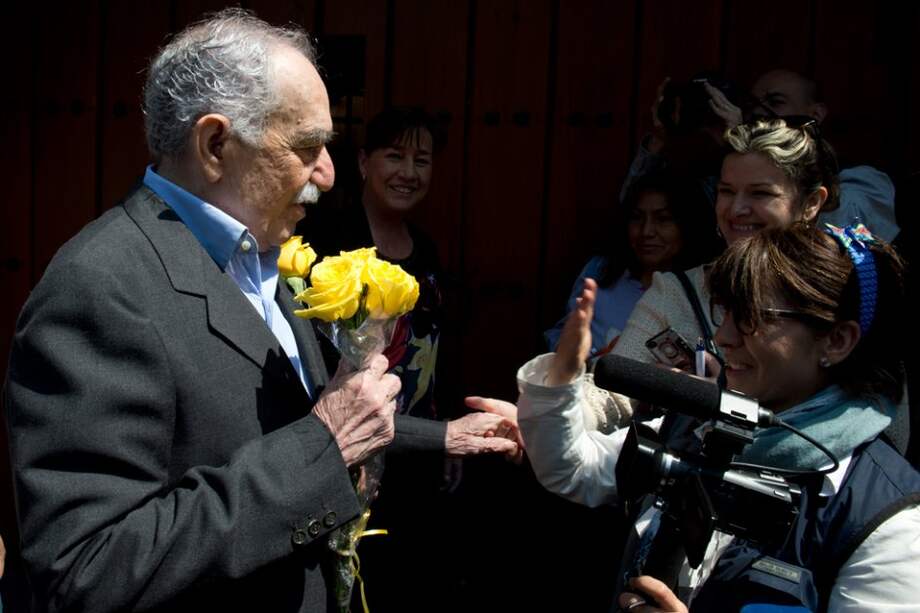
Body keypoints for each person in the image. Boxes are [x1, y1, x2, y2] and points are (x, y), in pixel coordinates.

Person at [3, 10, 516, 612]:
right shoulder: (99, 287)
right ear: (215, 145)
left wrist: (447, 436)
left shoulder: (260, 257)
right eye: (306, 147)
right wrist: (322, 451)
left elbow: (301, 414)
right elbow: (87, 569)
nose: (327, 174)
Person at [515, 223, 920, 611]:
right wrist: (561, 377)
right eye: (723, 312)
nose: (724, 337)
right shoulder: (696, 424)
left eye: (751, 318)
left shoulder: (883, 519)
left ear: (836, 340)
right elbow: (572, 467)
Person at [545, 171, 720, 359]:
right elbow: (561, 336)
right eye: (637, 217)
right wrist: (583, 355)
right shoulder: (601, 271)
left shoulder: (702, 291)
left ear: (688, 225)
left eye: (663, 219)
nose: (646, 231)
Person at [748, 68, 899, 242]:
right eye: (752, 105)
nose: (758, 113)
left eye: (775, 102)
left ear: (816, 114)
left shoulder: (859, 180)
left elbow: (835, 239)